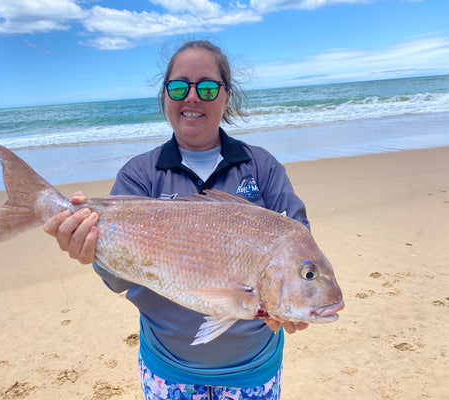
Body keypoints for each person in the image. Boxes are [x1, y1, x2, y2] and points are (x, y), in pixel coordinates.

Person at [44, 40, 309, 400]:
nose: (193, 97)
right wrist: (89, 250)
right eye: (180, 86)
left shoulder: (260, 166)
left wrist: (297, 298)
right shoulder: (140, 174)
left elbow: (299, 246)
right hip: (168, 370)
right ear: (165, 96)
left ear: (226, 95)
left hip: (254, 369)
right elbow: (117, 280)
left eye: (208, 87)